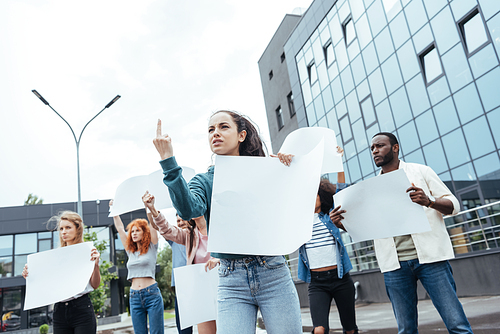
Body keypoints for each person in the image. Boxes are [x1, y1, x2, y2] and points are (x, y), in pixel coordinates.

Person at [153, 110, 302, 334]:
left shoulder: (265, 169)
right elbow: (188, 209)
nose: (216, 133)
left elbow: (293, 205)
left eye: (223, 127)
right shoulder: (203, 181)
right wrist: (168, 161)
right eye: (211, 129)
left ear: (241, 135)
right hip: (231, 280)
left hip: (273, 273)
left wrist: (289, 169)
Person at [330, 132, 473, 334]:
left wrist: (429, 201)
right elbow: (366, 227)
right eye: (372, 148)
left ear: (395, 148)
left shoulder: (420, 171)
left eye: (380, 146)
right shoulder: (370, 187)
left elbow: (454, 205)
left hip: (431, 259)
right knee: (406, 330)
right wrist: (341, 224)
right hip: (394, 266)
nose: (375, 151)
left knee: (457, 324)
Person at [298, 147, 358, 334]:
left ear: (321, 197)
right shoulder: (300, 223)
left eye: (313, 194)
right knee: (319, 330)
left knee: (350, 329)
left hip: (340, 278)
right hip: (317, 283)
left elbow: (341, 189)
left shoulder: (329, 216)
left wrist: (338, 162)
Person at [143, 191, 217, 334]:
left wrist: (218, 259)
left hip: (223, 287)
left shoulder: (217, 228)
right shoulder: (189, 235)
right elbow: (166, 228)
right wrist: (152, 209)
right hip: (201, 291)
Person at [22, 211, 101, 334]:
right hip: (59, 311)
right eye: (61, 228)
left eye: (68, 227)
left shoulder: (88, 251)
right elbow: (45, 281)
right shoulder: (55, 256)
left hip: (81, 308)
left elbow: (95, 285)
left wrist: (96, 265)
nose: (63, 231)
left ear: (77, 229)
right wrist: (30, 273)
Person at [112, 194, 164, 334]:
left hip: (151, 294)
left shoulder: (152, 246)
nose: (133, 233)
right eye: (132, 231)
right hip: (134, 296)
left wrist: (148, 206)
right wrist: (114, 211)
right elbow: (120, 229)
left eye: (137, 230)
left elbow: (152, 224)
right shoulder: (130, 251)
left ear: (144, 232)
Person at [166, 214, 193, 334]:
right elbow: (159, 226)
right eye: (178, 220)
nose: (180, 222)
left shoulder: (196, 236)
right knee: (183, 327)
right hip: (180, 286)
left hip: (195, 283)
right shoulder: (174, 239)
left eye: (182, 219)